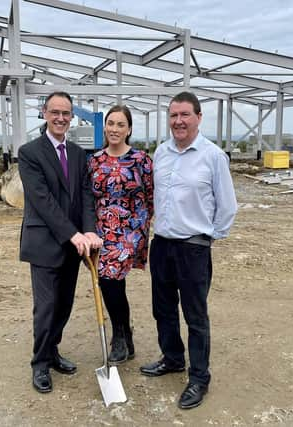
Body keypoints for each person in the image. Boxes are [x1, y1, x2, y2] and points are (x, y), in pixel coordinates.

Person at [139, 91, 238, 410]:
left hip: (193, 248)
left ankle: (199, 377)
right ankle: (172, 358)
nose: (178, 121)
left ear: (198, 117)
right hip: (162, 245)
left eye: (184, 115)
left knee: (195, 316)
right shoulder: (161, 153)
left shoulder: (212, 156)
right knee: (163, 309)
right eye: (173, 116)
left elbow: (227, 206)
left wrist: (207, 238)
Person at [18, 91, 103, 394]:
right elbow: (43, 201)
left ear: (71, 117)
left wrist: (90, 231)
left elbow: (86, 198)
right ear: (44, 114)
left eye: (66, 113)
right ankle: (39, 362)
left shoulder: (81, 155)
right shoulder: (29, 153)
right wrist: (73, 233)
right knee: (46, 306)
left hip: (75, 245)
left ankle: (53, 351)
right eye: (55, 112)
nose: (61, 118)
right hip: (44, 242)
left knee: (64, 305)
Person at [87, 105, 154, 365]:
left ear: (129, 129)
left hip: (130, 231)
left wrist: (138, 229)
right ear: (105, 127)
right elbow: (89, 198)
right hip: (101, 231)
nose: (114, 129)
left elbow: (151, 196)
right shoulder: (94, 161)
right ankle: (125, 333)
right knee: (110, 283)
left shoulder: (141, 160)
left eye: (120, 125)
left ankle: (119, 336)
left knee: (109, 277)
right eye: (110, 123)